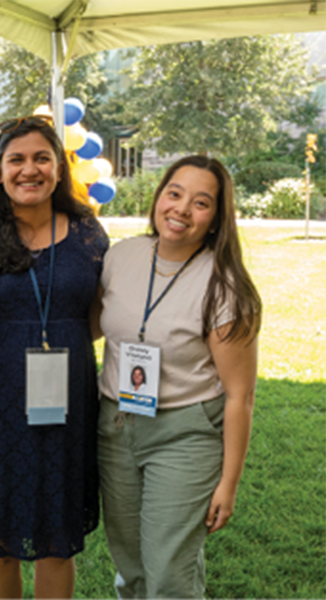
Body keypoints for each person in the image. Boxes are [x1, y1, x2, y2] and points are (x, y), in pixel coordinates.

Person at [0, 115, 108, 600]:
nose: (29, 169)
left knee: (55, 536)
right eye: (16, 159)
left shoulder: (87, 235)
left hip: (65, 397)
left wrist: (61, 335)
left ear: (60, 169)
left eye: (42, 158)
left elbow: (103, 315)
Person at [93, 155, 262, 599]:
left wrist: (229, 483)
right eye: (174, 193)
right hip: (115, 425)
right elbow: (93, 324)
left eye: (201, 203)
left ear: (216, 219)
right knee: (130, 568)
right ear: (158, 197)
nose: (182, 209)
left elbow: (240, 396)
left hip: (183, 435)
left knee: (169, 575)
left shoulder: (223, 286)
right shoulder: (121, 256)